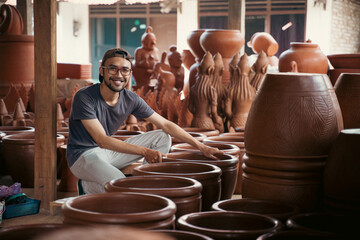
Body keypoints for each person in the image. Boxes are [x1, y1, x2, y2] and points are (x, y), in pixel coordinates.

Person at [66, 48, 222, 194]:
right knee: (121, 186)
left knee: (162, 136)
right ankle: (89, 186)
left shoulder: (130, 99)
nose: (119, 75)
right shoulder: (85, 96)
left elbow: (165, 124)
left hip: (106, 153)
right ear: (102, 71)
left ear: (129, 74)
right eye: (113, 68)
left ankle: (143, 182)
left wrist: (201, 147)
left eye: (125, 70)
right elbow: (102, 140)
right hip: (82, 156)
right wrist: (144, 152)